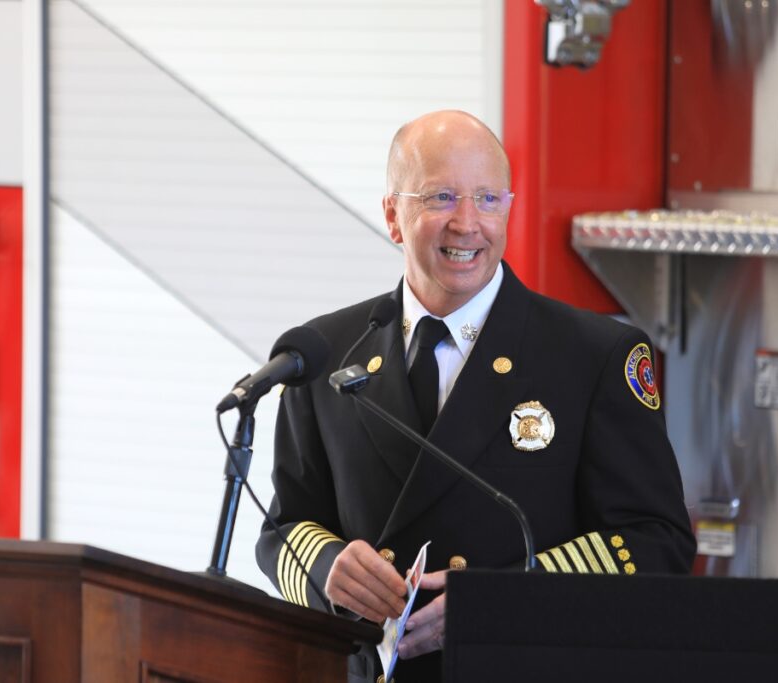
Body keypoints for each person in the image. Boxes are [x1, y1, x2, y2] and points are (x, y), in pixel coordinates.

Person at [256, 110, 695, 683]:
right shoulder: (324, 353)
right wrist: (325, 567)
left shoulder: (593, 356)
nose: (467, 224)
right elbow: (284, 529)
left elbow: (656, 544)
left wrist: (500, 605)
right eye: (440, 197)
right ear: (393, 217)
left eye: (488, 199)